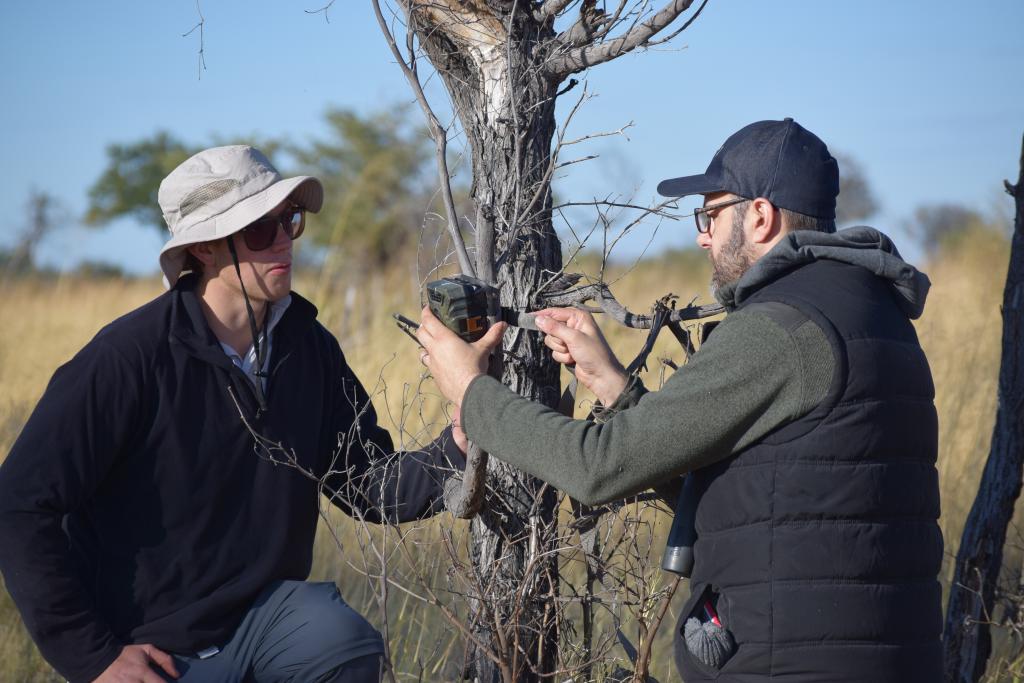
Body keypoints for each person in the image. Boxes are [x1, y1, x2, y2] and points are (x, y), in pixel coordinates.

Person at [416, 119, 942, 682]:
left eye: (711, 215)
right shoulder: (868, 311)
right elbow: (739, 491)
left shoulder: (780, 329)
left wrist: (471, 391)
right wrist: (614, 386)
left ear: (760, 217)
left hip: (790, 664)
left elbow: (595, 468)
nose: (702, 236)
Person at [0, 146, 473, 683]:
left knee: (342, 643)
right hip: (153, 647)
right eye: (258, 229)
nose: (283, 241)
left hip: (267, 621)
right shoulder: (125, 359)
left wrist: (457, 443)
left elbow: (364, 481)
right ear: (202, 247)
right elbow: (18, 504)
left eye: (289, 221)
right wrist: (94, 659)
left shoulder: (308, 346)